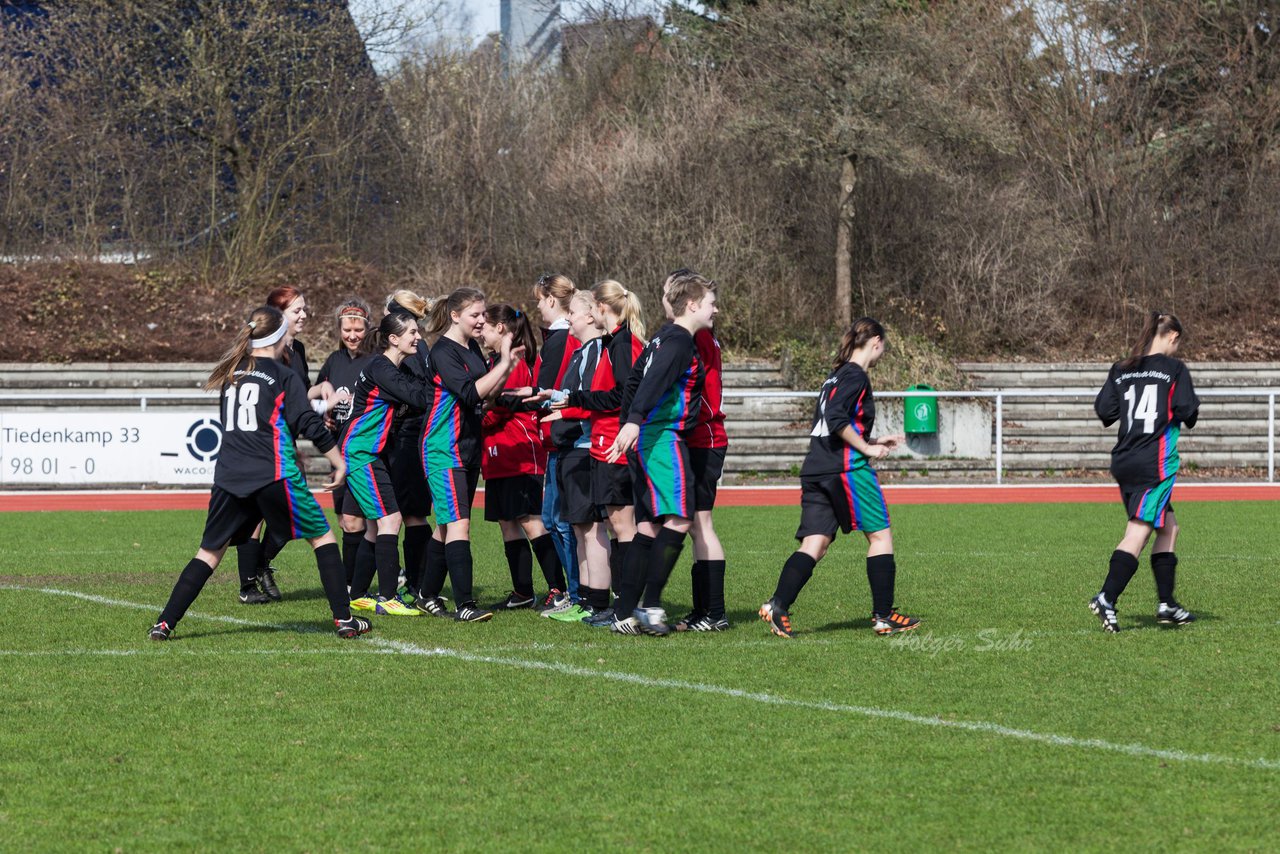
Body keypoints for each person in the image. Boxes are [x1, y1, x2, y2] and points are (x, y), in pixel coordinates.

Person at [149, 306, 368, 641]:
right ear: (280, 336)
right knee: (322, 537)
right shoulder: (282, 375)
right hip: (272, 473)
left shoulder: (233, 373)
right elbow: (307, 422)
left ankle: (164, 623)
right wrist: (337, 460)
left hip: (229, 476)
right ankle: (344, 620)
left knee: (208, 553)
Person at [758, 317, 920, 639]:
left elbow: (833, 425)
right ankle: (884, 615)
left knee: (814, 544)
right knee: (880, 536)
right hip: (846, 471)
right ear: (875, 341)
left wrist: (874, 441)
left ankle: (778, 604)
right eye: (883, 346)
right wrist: (866, 450)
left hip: (817, 468)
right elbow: (835, 419)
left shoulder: (834, 376)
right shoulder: (856, 375)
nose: (882, 352)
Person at [605, 275, 718, 635]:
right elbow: (648, 385)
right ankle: (650, 606)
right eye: (711, 303)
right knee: (681, 519)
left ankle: (623, 612)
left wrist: (630, 422)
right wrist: (635, 422)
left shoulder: (660, 338)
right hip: (662, 439)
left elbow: (635, 381)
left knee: (648, 527)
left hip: (649, 438)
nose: (716, 309)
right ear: (693, 305)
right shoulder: (679, 341)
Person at [413, 288, 525, 623]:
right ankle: (465, 603)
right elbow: (468, 392)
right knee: (459, 524)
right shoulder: (443, 351)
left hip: (468, 444)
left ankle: (427, 594)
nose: (482, 321)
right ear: (456, 315)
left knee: (448, 526)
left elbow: (485, 393)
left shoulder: (471, 347)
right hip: (442, 447)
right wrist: (504, 363)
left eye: (482, 315)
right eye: (475, 315)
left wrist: (508, 368)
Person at [1089, 311, 1200, 632]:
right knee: (1139, 530)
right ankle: (1107, 597)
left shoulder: (1122, 369)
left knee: (1168, 527)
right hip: (1156, 462)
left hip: (1125, 459)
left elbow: (1105, 411)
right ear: (1173, 337)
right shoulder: (1175, 369)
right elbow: (1188, 412)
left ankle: (1167, 603)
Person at [548, 280, 646, 625]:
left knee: (622, 526)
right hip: (607, 443)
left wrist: (577, 400)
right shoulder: (614, 343)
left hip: (614, 443)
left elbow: (621, 397)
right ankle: (620, 606)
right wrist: (574, 401)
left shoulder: (621, 344)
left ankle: (626, 605)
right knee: (616, 524)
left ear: (600, 310)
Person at [340, 312, 434, 617]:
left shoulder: (391, 367)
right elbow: (418, 397)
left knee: (373, 526)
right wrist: (446, 383)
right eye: (412, 334)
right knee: (391, 521)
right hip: (361, 452)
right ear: (393, 339)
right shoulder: (382, 367)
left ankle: (358, 594)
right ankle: (387, 597)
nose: (418, 338)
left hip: (368, 452)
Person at [477, 303, 565, 610]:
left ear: (500, 329)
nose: (480, 331)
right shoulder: (495, 362)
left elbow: (499, 407)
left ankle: (558, 588)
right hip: (497, 456)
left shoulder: (514, 362)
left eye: (485, 326)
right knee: (507, 521)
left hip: (519, 453)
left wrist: (477, 415)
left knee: (531, 521)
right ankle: (522, 590)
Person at [234, 285, 312, 603]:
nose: (304, 315)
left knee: (290, 517)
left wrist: (318, 397)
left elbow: (298, 397)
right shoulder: (261, 356)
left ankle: (262, 565)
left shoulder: (300, 350)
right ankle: (248, 585)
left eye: (304, 309)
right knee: (253, 517)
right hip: (263, 445)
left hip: (287, 443)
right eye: (298, 311)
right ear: (279, 316)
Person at [663, 271, 730, 633]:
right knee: (693, 527)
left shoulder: (697, 337)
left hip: (704, 438)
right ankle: (703, 610)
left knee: (700, 524)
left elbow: (700, 394)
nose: (715, 309)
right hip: (699, 437)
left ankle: (714, 612)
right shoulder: (695, 336)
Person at [536, 289, 609, 623]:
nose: (571, 320)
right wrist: (552, 397)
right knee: (578, 528)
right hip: (571, 449)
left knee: (590, 529)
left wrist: (564, 410)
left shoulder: (596, 351)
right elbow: (573, 394)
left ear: (591, 316)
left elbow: (592, 397)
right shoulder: (581, 352)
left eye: (575, 314)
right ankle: (584, 598)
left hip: (584, 448)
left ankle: (596, 599)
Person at [312, 298, 376, 588]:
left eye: (358, 330)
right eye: (347, 329)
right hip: (337, 450)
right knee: (345, 521)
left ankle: (352, 583)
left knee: (355, 521)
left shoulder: (375, 361)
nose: (352, 335)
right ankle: (361, 579)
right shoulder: (334, 361)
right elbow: (309, 395)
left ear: (368, 328)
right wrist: (323, 396)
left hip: (363, 451)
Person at [531, 273, 581, 609]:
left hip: (563, 436)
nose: (537, 307)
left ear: (550, 299)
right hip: (559, 437)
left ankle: (579, 593)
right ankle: (575, 592)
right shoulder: (563, 337)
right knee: (554, 521)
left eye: (538, 300)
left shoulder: (561, 338)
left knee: (562, 523)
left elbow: (546, 390)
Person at [384, 290, 435, 602]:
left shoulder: (413, 348)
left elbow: (418, 393)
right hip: (407, 436)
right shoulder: (420, 345)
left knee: (410, 514)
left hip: (407, 437)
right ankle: (414, 579)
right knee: (407, 513)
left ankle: (415, 582)